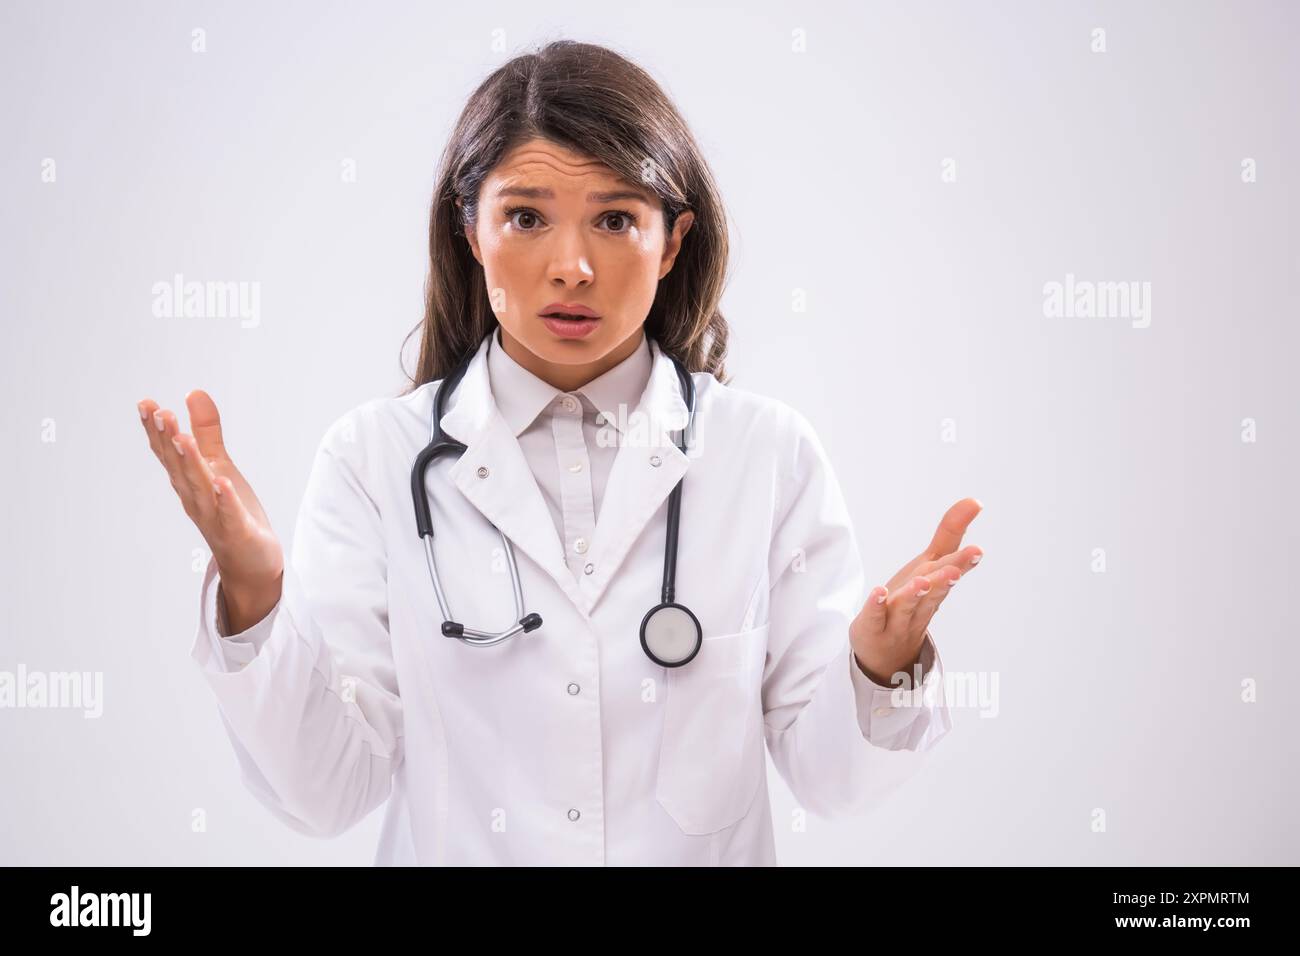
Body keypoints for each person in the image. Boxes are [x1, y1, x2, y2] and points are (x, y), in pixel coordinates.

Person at [136, 39, 983, 866]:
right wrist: (253, 592)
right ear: (471, 230)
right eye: (526, 217)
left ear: (673, 241)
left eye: (615, 219)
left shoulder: (765, 455)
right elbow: (326, 793)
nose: (571, 266)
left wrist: (880, 666)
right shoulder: (374, 460)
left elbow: (836, 784)